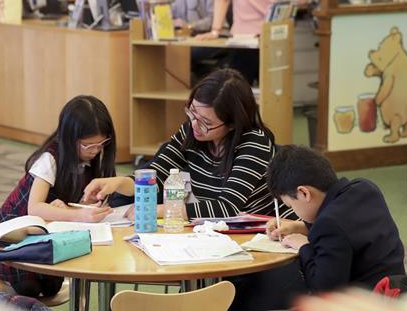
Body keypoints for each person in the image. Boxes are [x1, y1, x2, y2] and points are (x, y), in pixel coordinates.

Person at [83, 69, 294, 222]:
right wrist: (118, 183)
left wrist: (163, 210)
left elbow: (227, 207)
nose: (195, 125)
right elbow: (155, 174)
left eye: (206, 122)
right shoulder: (192, 131)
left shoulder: (254, 143)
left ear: (232, 124)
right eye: (192, 112)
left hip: (265, 235)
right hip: (218, 233)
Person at [0, 95, 118, 298]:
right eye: (88, 145)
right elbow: (35, 208)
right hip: (15, 239)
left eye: (102, 144)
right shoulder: (50, 159)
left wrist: (82, 206)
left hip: (46, 235)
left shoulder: (90, 162)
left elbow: (71, 205)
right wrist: (77, 215)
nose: (96, 150)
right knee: (29, 290)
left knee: (51, 288)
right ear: (69, 138)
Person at [264, 145, 405, 293]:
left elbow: (324, 289)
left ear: (304, 193)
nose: (293, 210)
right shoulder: (365, 187)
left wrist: (304, 247)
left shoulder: (329, 224)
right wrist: (298, 226)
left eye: (291, 205)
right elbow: (347, 230)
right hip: (396, 285)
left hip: (367, 302)